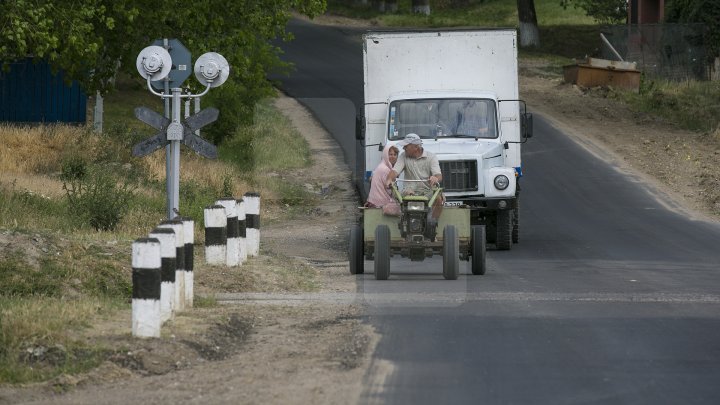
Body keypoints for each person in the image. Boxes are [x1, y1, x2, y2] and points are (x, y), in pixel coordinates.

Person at [385, 133, 444, 219]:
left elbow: (438, 175)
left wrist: (435, 178)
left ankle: (432, 223)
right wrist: (389, 179)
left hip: (427, 192)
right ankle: (405, 221)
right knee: (404, 195)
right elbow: (395, 171)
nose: (404, 148)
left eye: (406, 146)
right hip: (409, 191)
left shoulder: (431, 157)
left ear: (416, 147)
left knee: (439, 199)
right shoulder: (403, 156)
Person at [366, 143, 400, 215]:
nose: (393, 157)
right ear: (385, 155)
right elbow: (389, 189)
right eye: (390, 154)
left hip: (374, 200)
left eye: (395, 155)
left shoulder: (382, 165)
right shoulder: (385, 170)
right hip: (380, 202)